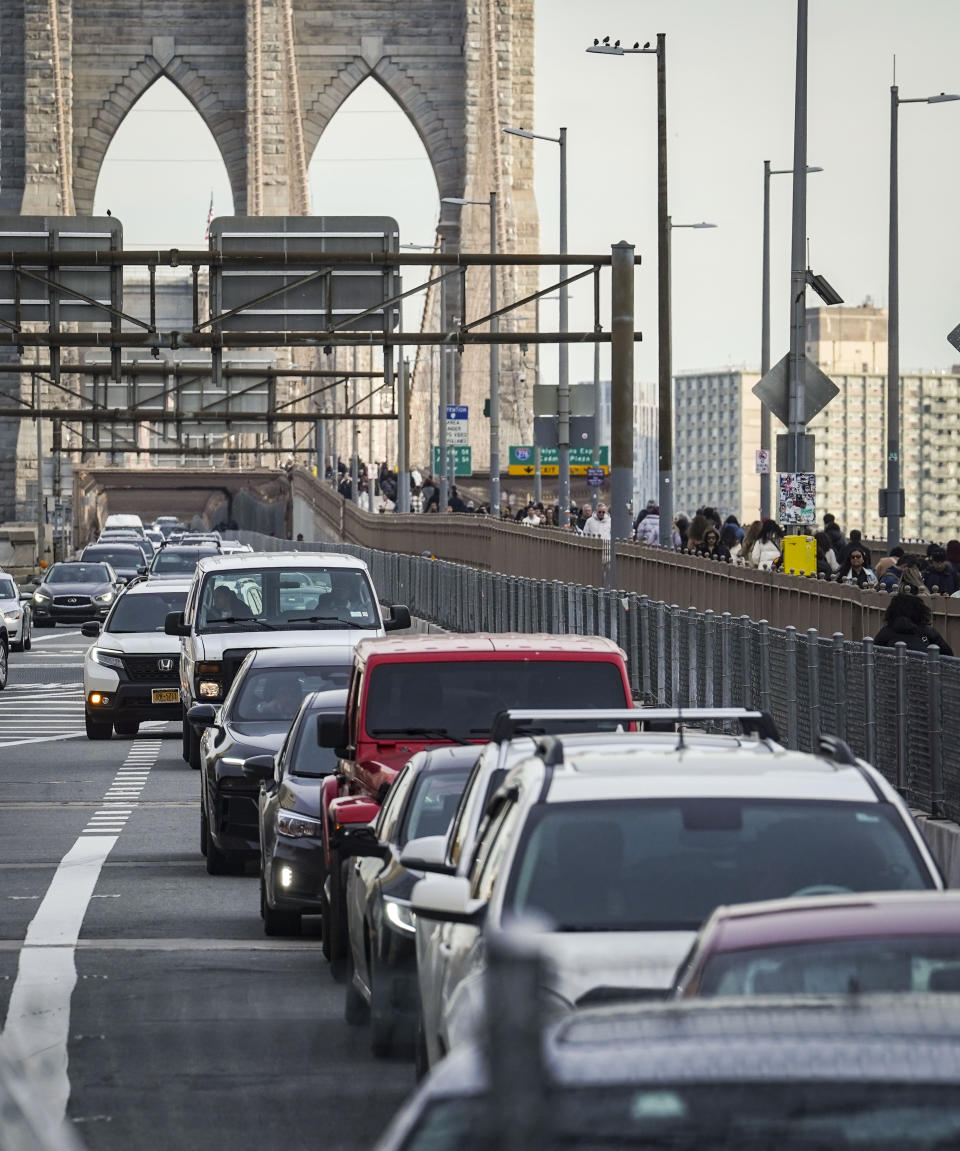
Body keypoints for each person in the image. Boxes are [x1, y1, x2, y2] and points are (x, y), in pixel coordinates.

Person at [873, 593, 954, 656]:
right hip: (924, 674)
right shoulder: (927, 632)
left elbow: (873, 653)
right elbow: (948, 655)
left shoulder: (886, 632)